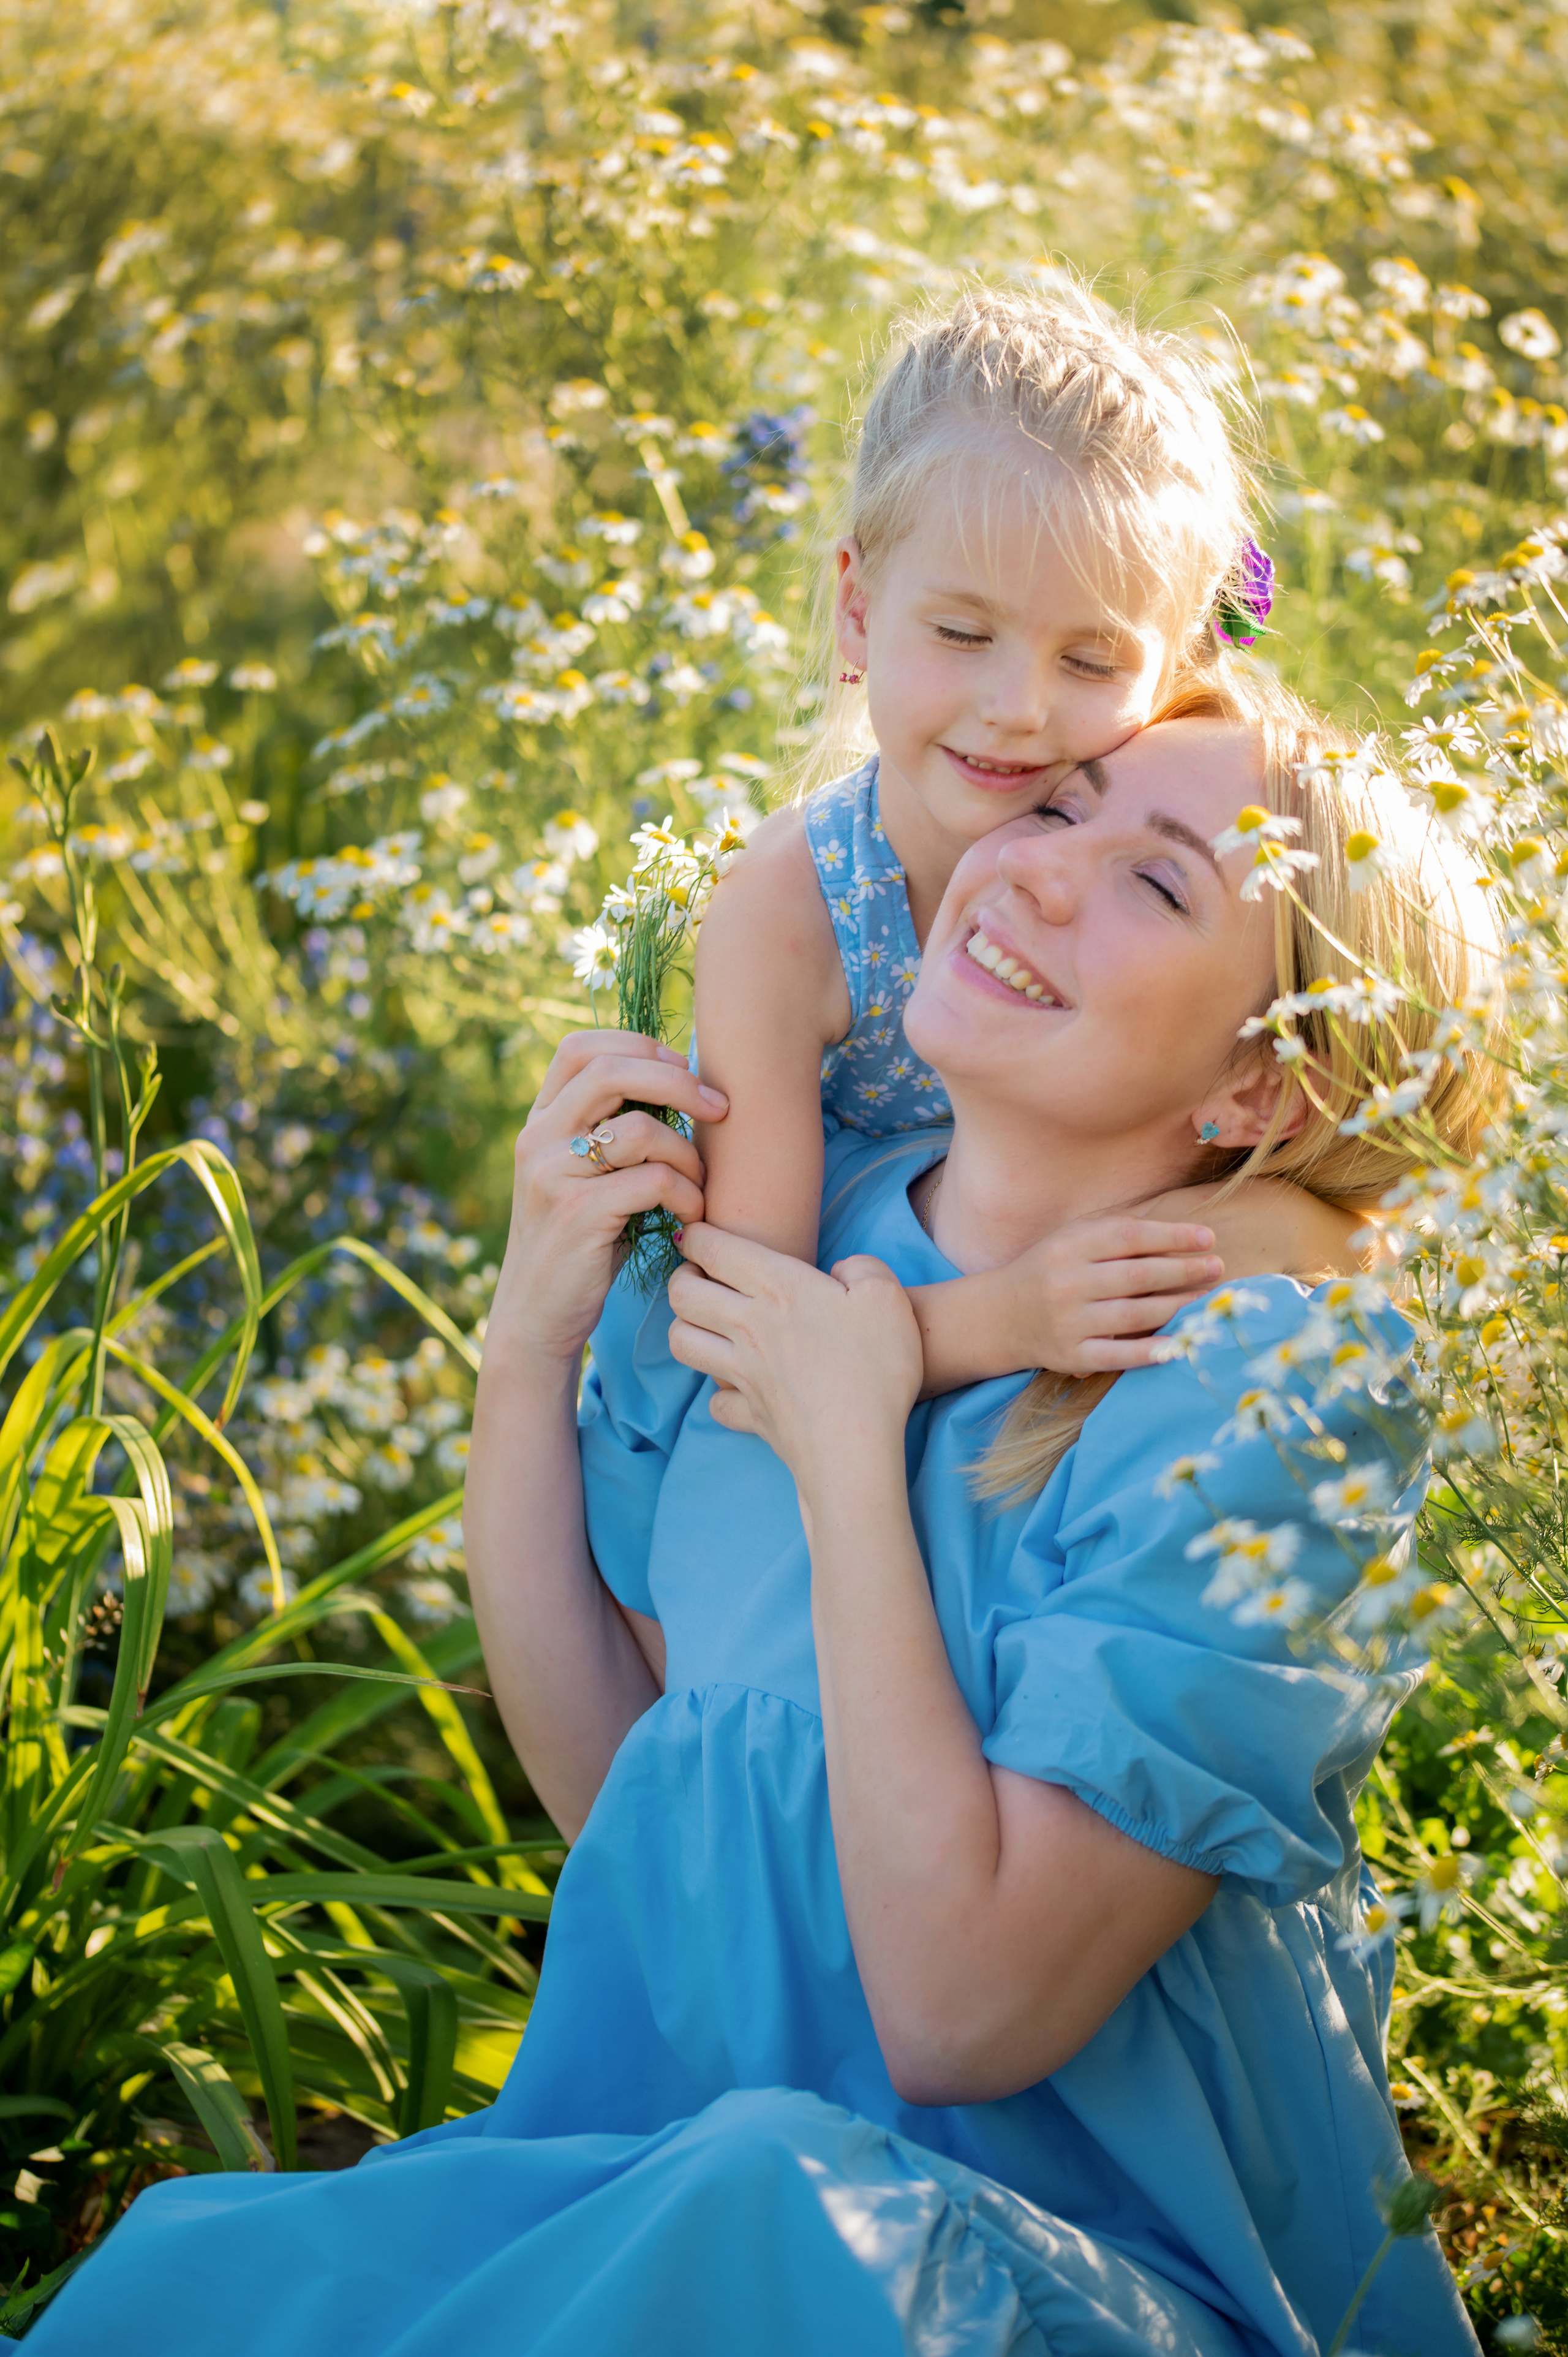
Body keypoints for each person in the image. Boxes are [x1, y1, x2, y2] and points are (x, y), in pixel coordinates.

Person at [31, 679, 1493, 2355]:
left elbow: (964, 2013)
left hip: (1039, 2277)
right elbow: (632, 1793)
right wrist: (530, 1344)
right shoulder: (793, 1234)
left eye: (1158, 879)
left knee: (766, 2217)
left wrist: (851, 1441)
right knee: (192, 2287)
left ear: (1265, 1093)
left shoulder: (1266, 1380)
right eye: (1065, 803)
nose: (1035, 869)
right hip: (674, 2169)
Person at [692, 284, 1359, 1393]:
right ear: (858, 609)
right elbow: (746, 1324)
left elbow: (1367, 1224)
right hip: (821, 1434)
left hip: (1080, 1405)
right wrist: (1007, 1322)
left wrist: (1278, 1234)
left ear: (1173, 668)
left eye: (1091, 664)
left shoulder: (1226, 847)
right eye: (962, 633)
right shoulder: (793, 910)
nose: (1017, 708)